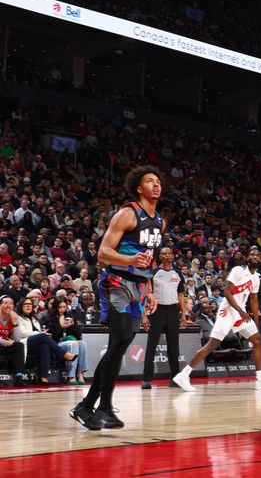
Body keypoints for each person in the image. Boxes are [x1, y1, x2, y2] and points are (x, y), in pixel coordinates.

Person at [69, 166, 163, 430]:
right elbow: (103, 253)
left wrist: (151, 289)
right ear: (138, 188)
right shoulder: (127, 214)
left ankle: (90, 407)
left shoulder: (160, 222)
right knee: (120, 340)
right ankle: (102, 407)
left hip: (139, 289)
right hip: (116, 283)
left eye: (158, 181)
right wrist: (128, 259)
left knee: (118, 346)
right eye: (150, 181)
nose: (156, 185)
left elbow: (149, 260)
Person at [171, 247, 261, 391]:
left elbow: (253, 301)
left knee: (258, 340)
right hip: (228, 311)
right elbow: (227, 293)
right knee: (212, 345)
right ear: (247, 257)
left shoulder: (256, 278)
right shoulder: (238, 271)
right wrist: (241, 311)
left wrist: (256, 324)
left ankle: (260, 379)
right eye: (251, 254)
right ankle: (183, 375)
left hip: (240, 314)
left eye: (257, 255)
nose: (254, 256)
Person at [142, 247, 185, 389]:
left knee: (174, 347)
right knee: (152, 345)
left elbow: (181, 295)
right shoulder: (153, 273)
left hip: (173, 311)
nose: (167, 255)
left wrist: (183, 314)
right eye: (164, 254)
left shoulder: (178, 273)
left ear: (173, 256)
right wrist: (145, 316)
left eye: (170, 253)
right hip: (157, 310)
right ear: (160, 257)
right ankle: (146, 379)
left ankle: (175, 378)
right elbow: (147, 295)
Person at [14, 296, 77, 384]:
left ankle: (44, 377)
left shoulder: (34, 319)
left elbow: (38, 332)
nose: (28, 306)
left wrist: (42, 332)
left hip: (33, 343)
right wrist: (40, 334)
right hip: (22, 342)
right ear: (21, 306)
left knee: (44, 346)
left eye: (30, 304)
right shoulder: (17, 317)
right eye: (26, 304)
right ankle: (64, 354)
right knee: (43, 337)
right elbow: (21, 333)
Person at [45, 296, 88, 384]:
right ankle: (71, 375)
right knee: (73, 344)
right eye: (59, 307)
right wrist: (61, 326)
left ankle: (81, 373)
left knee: (83, 344)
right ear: (55, 307)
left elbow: (77, 334)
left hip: (69, 341)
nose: (62, 309)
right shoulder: (50, 317)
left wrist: (73, 325)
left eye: (64, 307)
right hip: (56, 343)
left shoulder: (69, 316)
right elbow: (51, 335)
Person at [0, 295, 26, 385]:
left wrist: (15, 323)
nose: (9, 305)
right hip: (2, 343)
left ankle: (19, 376)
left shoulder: (15, 317)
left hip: (4, 345)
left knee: (19, 345)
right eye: (6, 303)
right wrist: (4, 342)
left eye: (11, 303)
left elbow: (17, 339)